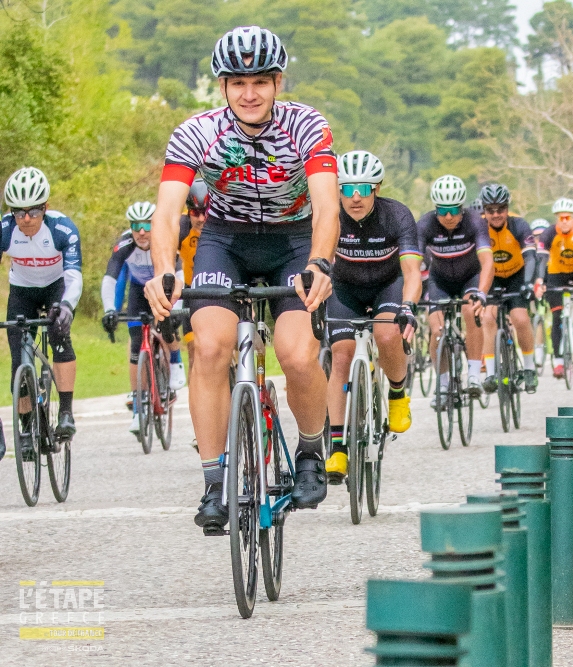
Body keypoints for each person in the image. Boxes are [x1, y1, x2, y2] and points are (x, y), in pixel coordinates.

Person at [144, 26, 338, 533]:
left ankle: (311, 451)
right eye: (237, 83)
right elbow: (165, 214)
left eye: (260, 82)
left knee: (297, 353)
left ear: (278, 82)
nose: (249, 94)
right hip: (225, 240)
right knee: (210, 347)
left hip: (294, 241)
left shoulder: (306, 125)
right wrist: (164, 270)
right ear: (223, 86)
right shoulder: (196, 132)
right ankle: (215, 482)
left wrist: (320, 263)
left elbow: (326, 207)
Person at [325, 150, 421, 482]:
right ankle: (338, 448)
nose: (355, 197)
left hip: (386, 286)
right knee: (341, 355)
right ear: (338, 190)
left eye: (364, 189)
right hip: (344, 288)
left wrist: (407, 306)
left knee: (387, 334)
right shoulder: (330, 215)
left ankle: (397, 392)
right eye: (348, 189)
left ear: (376, 189)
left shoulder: (397, 215)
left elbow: (411, 272)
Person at [1, 167, 82, 455]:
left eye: (33, 211)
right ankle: (26, 427)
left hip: (56, 288)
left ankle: (66, 412)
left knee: (60, 336)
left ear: (45, 208)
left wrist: (67, 306)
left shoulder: (62, 229)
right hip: (22, 291)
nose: (26, 219)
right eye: (19, 212)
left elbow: (73, 276)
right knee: (18, 361)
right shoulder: (5, 230)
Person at [101, 202, 186, 435]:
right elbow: (110, 278)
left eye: (147, 225)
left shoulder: (164, 239)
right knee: (136, 343)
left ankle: (175, 361)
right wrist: (110, 310)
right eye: (136, 226)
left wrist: (178, 308)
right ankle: (139, 409)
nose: (141, 232)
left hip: (164, 287)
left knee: (168, 325)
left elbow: (179, 273)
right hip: (139, 291)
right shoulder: (125, 245)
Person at [418, 175, 494, 406]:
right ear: (435, 209)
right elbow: (412, 264)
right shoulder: (425, 224)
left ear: (462, 207)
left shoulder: (475, 222)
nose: (448, 216)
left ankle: (473, 375)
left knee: (472, 311)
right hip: (439, 281)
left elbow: (487, 262)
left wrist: (482, 293)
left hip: (469, 279)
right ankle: (442, 385)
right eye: (442, 210)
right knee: (436, 330)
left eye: (453, 210)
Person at [478, 183, 539, 395]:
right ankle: (491, 373)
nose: (496, 214)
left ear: (507, 208)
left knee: (520, 319)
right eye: (490, 210)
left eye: (501, 209)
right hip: (492, 277)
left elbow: (530, 256)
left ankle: (529, 368)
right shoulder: (479, 229)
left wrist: (528, 282)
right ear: (484, 211)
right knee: (488, 318)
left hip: (516, 276)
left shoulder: (519, 225)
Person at [534, 198, 573, 379]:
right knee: (557, 315)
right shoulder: (548, 234)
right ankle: (558, 361)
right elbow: (541, 260)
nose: (564, 221)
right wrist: (539, 280)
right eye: (560, 218)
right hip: (557, 273)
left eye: (567, 218)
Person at [178, 178, 208, 364]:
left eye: (206, 212)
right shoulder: (182, 226)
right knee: (193, 352)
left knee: (232, 345)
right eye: (195, 213)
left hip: (222, 288)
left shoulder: (223, 224)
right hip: (191, 291)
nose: (201, 219)